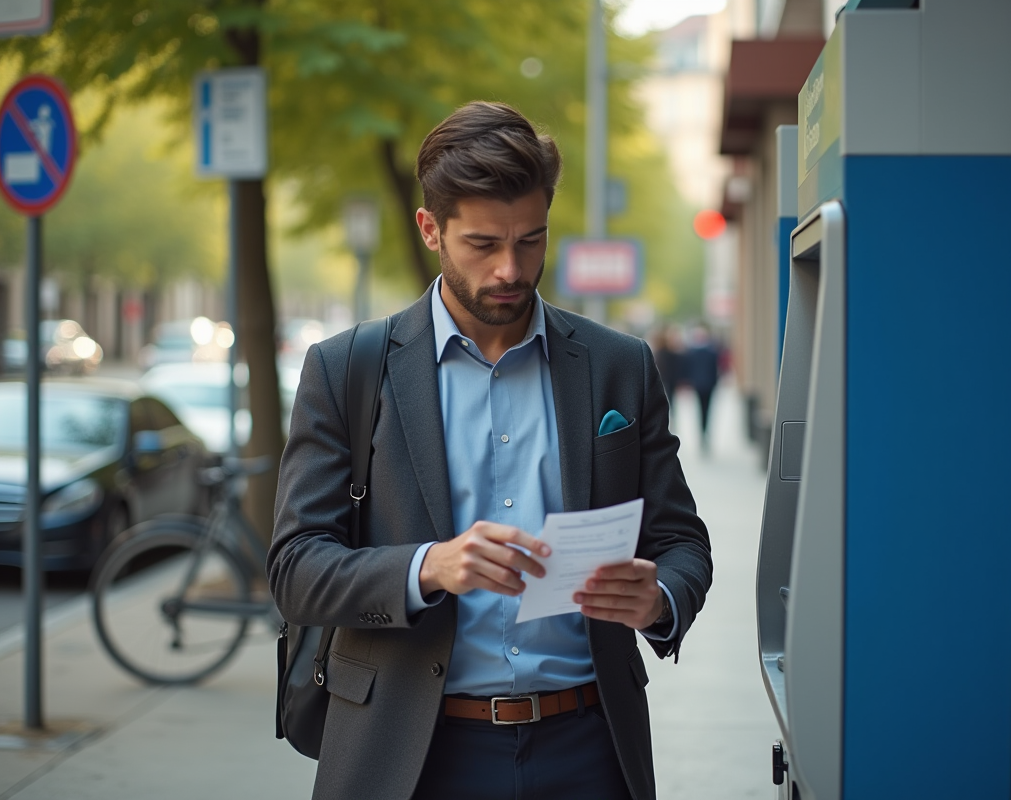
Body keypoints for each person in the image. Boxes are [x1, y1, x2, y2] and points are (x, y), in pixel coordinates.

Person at [268, 101, 712, 800]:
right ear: (430, 230)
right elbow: (295, 569)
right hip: (410, 753)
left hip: (591, 747)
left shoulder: (618, 366)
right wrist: (429, 567)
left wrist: (658, 598)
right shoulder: (348, 370)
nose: (511, 268)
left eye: (530, 240)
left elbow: (683, 542)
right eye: (483, 244)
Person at [683, 324, 720, 452]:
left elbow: (714, 369)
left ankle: (703, 433)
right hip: (703, 385)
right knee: (704, 409)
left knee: (704, 410)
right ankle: (703, 433)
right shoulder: (709, 351)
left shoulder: (696, 352)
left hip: (704, 385)